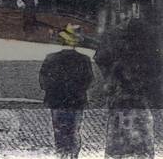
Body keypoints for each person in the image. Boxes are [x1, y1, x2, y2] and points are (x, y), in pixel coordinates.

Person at [95, 15, 162, 159]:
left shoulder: (117, 53)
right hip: (140, 104)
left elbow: (101, 60)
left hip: (120, 104)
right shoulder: (148, 54)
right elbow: (155, 76)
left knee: (118, 146)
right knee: (142, 147)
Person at [39, 24, 94, 159]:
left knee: (59, 132)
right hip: (76, 101)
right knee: (74, 131)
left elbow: (43, 82)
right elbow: (89, 81)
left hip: (56, 101)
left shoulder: (50, 58)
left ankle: (62, 155)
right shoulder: (84, 59)